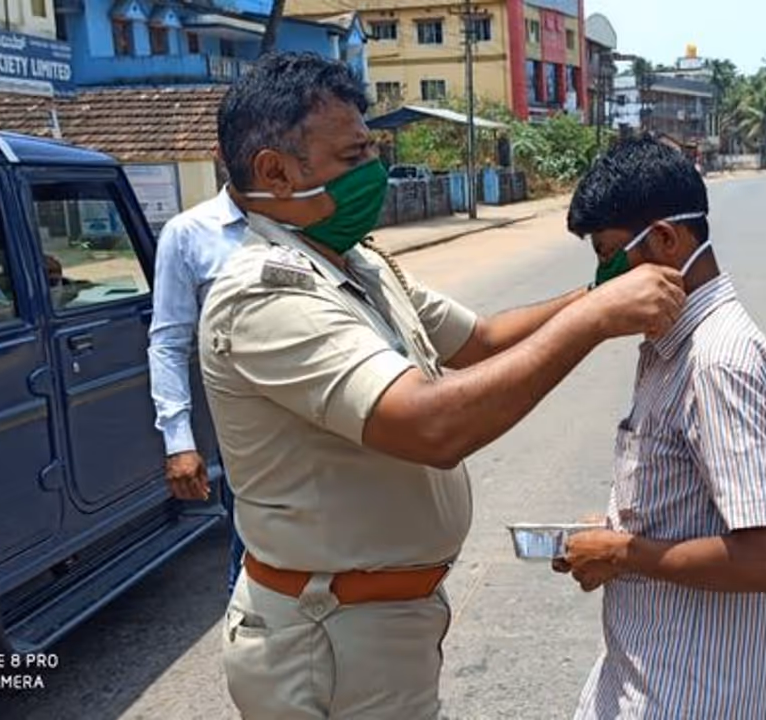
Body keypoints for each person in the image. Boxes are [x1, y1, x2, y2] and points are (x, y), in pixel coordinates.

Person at [199, 53, 685, 719]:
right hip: (327, 636)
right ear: (276, 173)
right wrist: (598, 319)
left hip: (378, 625)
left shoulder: (357, 266)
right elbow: (432, 426)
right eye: (352, 155)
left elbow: (481, 339)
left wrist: (602, 290)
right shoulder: (266, 296)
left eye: (371, 147)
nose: (373, 170)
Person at [554, 135, 766, 720]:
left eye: (610, 254)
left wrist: (622, 551)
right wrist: (613, 533)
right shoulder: (671, 346)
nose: (602, 280)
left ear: (667, 241)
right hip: (653, 674)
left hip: (693, 695)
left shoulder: (716, 358)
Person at [147, 178, 248, 595]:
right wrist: (180, 442)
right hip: (249, 440)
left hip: (326, 430)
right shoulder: (190, 233)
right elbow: (169, 343)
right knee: (254, 569)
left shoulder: (310, 221)